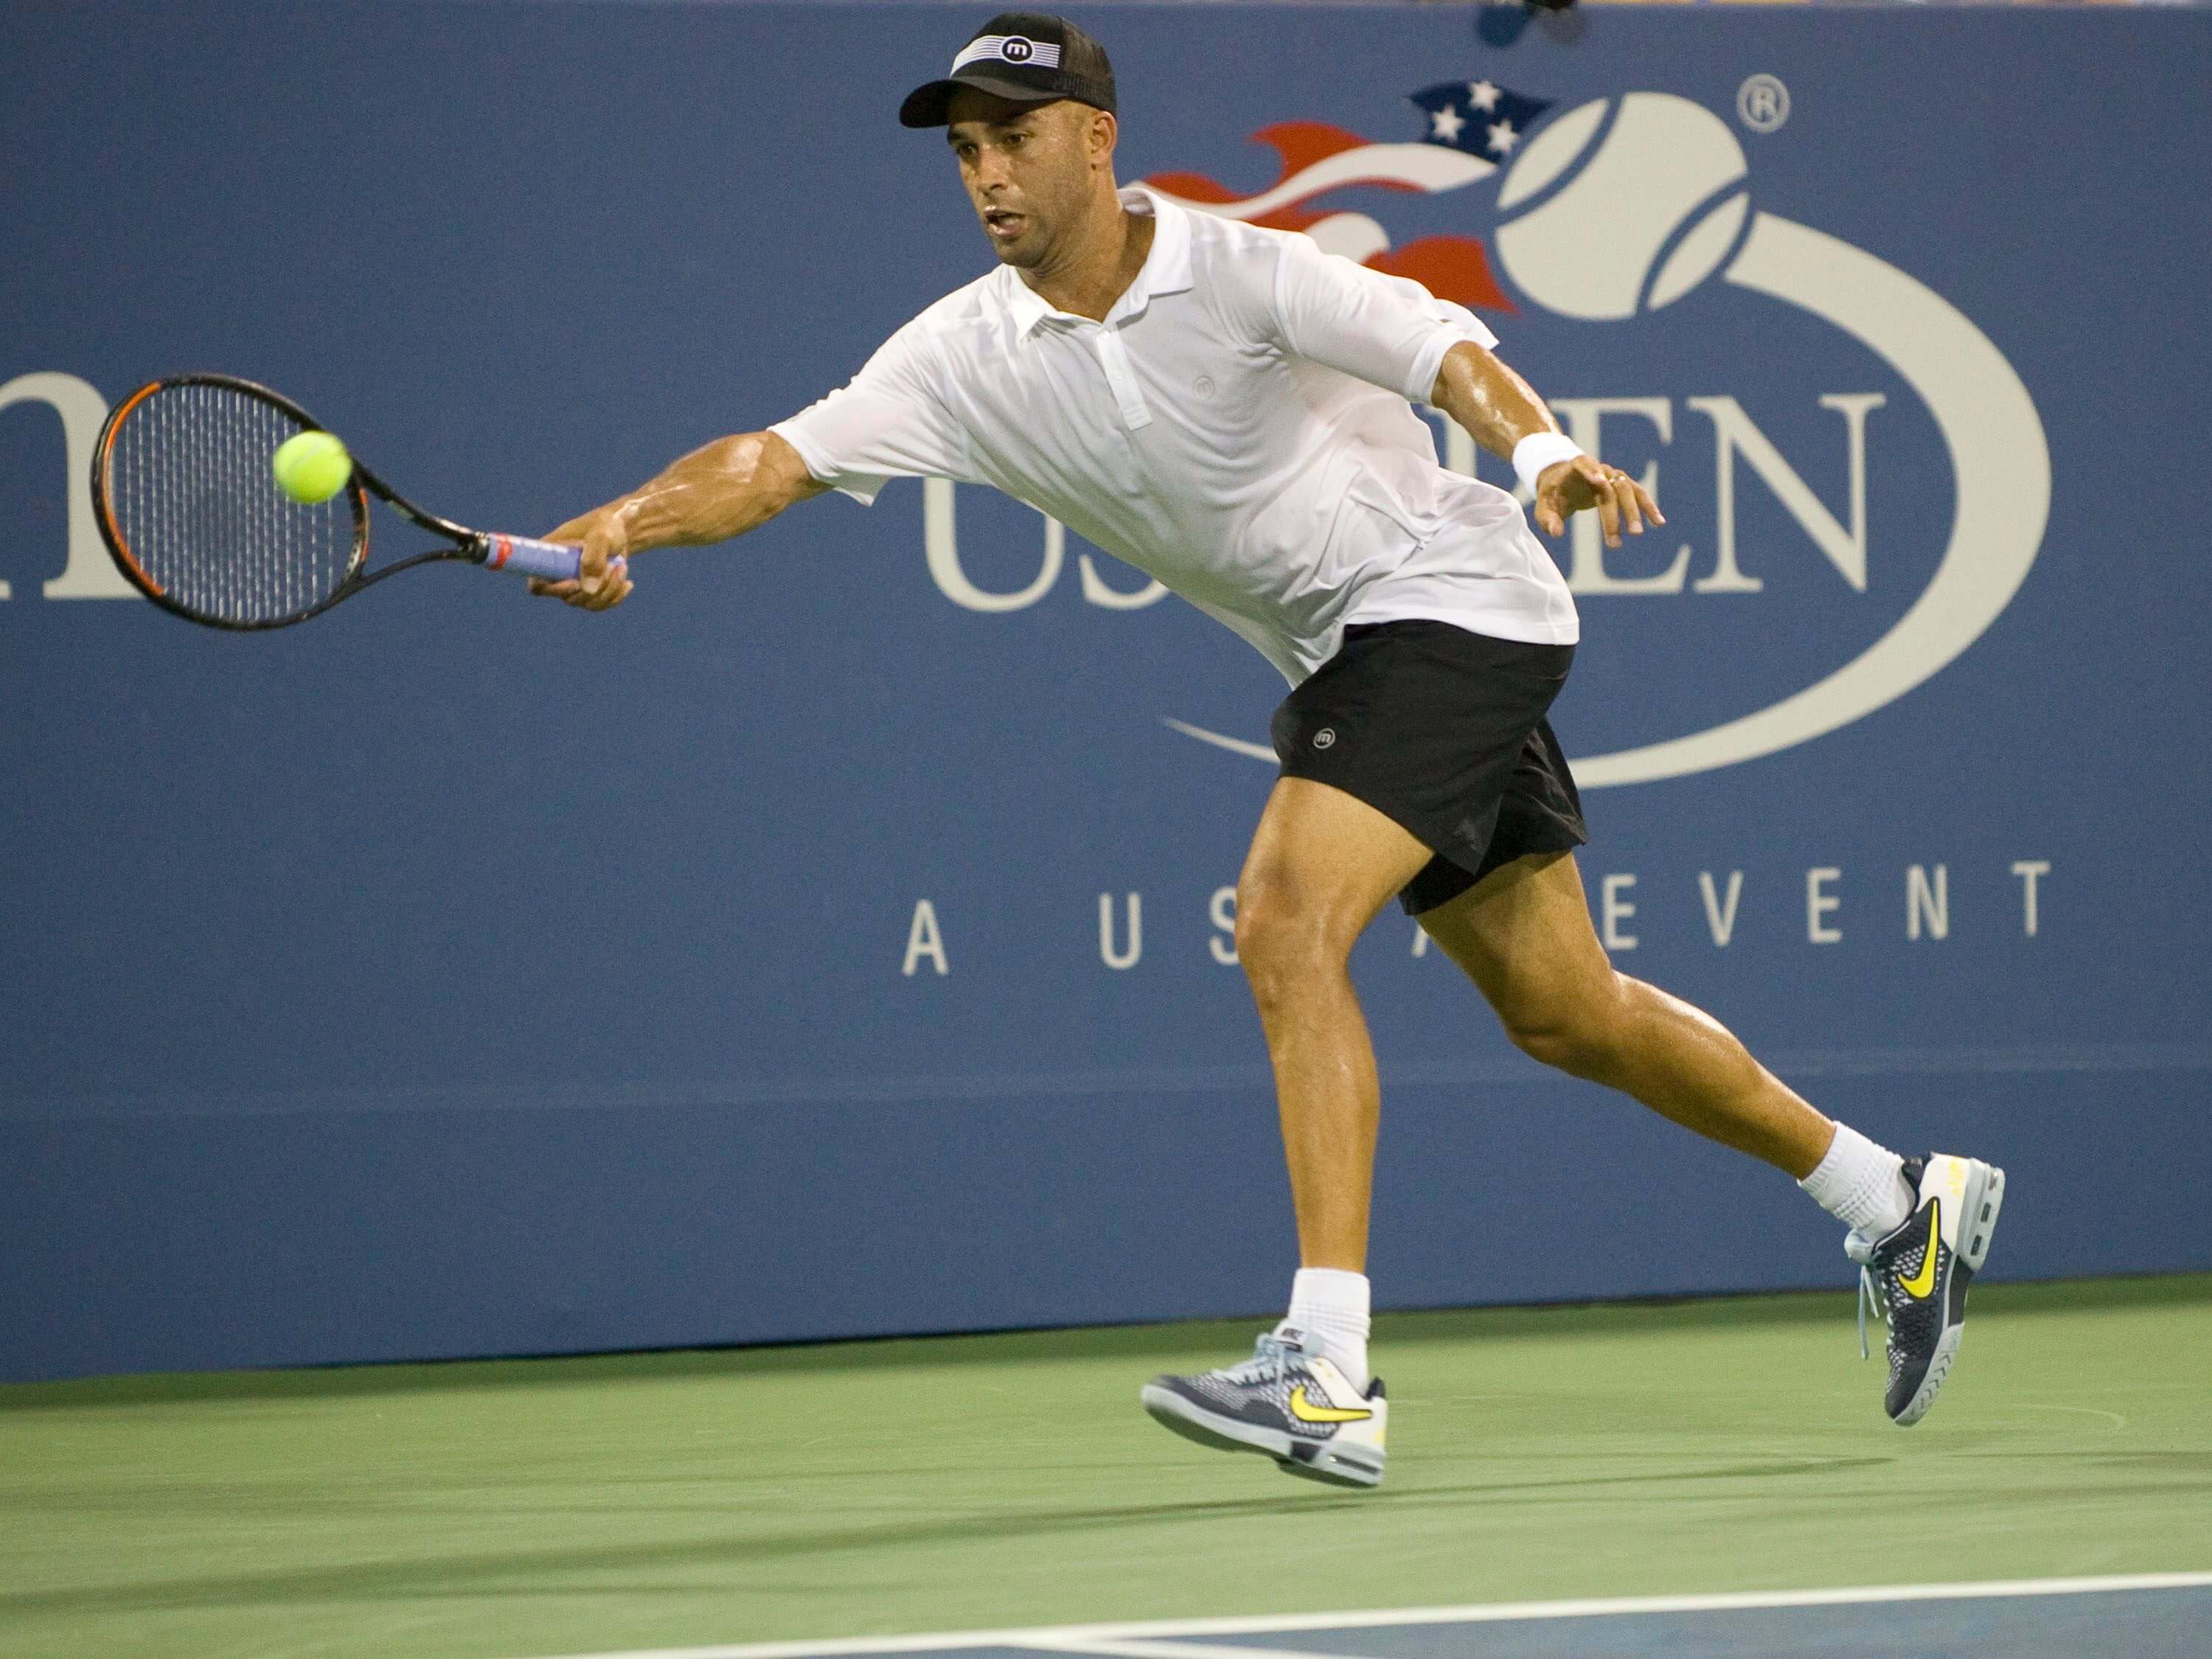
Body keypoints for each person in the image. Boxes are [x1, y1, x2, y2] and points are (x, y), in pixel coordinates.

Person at [535, 13, 2006, 1489]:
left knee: (1286, 919)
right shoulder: (959, 355)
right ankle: (1893, 1201)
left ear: (1097, 139)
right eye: (965, 149)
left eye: (1016, 137)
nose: (986, 174)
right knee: (1568, 1011)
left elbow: (1438, 344)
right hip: (1363, 656)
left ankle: (1328, 1372)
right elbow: (775, 460)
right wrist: (623, 522)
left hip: (1450, 606)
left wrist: (1546, 452)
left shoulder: (1238, 271)